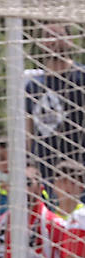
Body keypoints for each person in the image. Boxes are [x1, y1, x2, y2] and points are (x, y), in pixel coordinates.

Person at [26, 22, 85, 186]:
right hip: (44, 177)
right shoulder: (32, 85)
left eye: (57, 35)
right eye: (47, 36)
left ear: (70, 40)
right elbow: (28, 130)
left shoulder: (81, 77)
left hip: (77, 177)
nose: (52, 41)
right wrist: (28, 164)